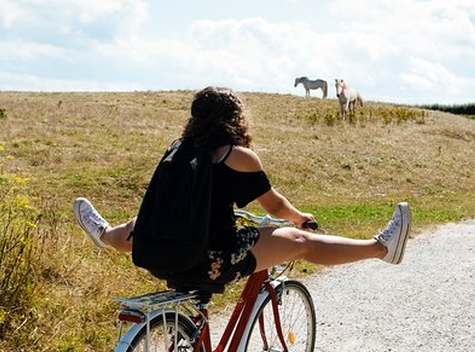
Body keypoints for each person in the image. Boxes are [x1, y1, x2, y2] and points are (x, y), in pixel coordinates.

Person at [74, 86, 411, 286]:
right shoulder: (235, 156)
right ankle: (380, 248)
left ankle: (104, 235)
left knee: (139, 224)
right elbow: (275, 207)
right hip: (207, 261)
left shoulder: (179, 148)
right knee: (300, 241)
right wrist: (298, 217)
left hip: (155, 254)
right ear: (236, 119)